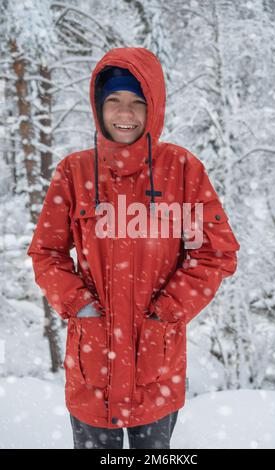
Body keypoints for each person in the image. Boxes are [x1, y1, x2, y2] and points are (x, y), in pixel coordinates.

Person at [27, 47, 241, 449]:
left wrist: (166, 313)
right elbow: (47, 253)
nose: (125, 114)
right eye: (114, 101)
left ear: (153, 107)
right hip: (92, 370)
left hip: (156, 371)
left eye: (137, 102)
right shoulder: (73, 173)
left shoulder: (181, 170)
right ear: (98, 106)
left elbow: (213, 253)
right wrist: (81, 306)